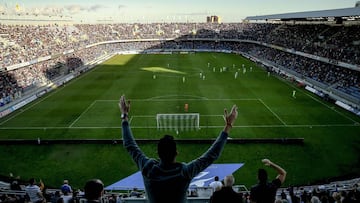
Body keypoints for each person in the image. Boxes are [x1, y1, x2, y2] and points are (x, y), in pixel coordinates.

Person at [119, 95, 238, 203]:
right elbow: (212, 155)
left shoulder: (148, 168)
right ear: (176, 153)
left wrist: (124, 116)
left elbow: (130, 145)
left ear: (158, 153)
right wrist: (228, 126)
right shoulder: (184, 171)